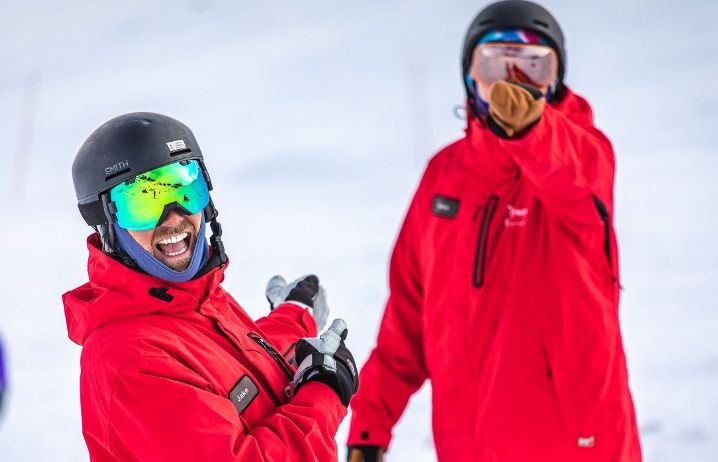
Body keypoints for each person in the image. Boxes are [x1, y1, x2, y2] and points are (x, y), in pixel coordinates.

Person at [346, 1, 642, 461]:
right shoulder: (444, 177)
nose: (512, 82)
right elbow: (408, 316)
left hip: (578, 447)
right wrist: (370, 423)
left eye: (533, 66)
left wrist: (531, 131)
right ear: (468, 75)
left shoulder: (585, 158)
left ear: (556, 80)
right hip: (467, 445)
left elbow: (573, 175)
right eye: (494, 64)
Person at [63, 112, 358, 461]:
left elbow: (228, 368)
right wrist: (323, 394)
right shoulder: (130, 360)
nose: (173, 217)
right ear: (106, 224)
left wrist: (293, 317)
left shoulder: (193, 298)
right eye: (143, 201)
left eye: (185, 189)